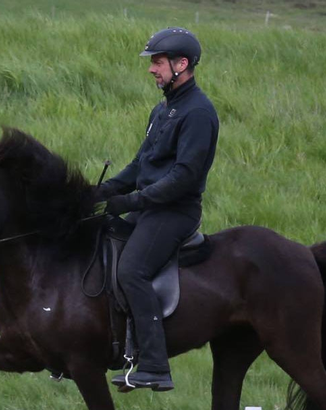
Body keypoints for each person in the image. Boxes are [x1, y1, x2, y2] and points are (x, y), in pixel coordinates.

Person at [96, 27, 220, 391]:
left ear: (182, 64)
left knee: (132, 269)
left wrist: (131, 201)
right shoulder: (163, 108)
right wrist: (100, 192)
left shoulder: (198, 113)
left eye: (158, 62)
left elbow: (183, 177)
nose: (152, 69)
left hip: (174, 212)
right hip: (150, 207)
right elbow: (140, 166)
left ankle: (154, 365)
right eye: (152, 62)